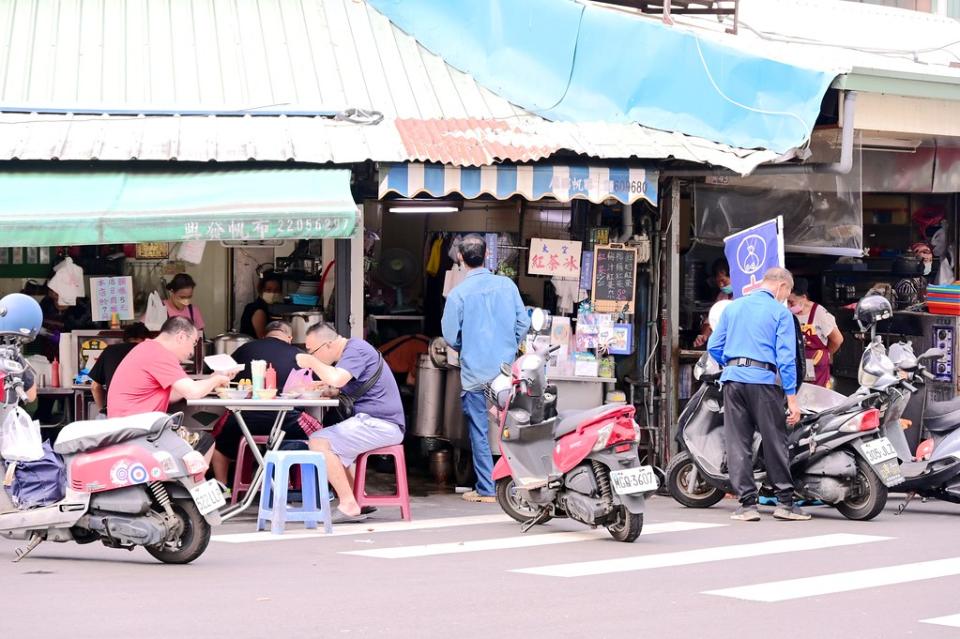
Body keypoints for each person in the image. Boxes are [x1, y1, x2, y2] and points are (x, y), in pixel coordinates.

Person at [707, 267, 810, 522]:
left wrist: (731, 364)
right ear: (782, 287)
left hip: (733, 381)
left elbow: (713, 346)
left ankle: (747, 505)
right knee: (774, 439)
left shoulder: (733, 307)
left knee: (738, 442)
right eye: (786, 293)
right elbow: (786, 359)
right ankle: (785, 503)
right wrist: (792, 399)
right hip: (763, 382)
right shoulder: (780, 313)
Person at [441, 234, 529, 503]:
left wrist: (466, 348)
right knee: (513, 428)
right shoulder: (507, 286)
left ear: (460, 258)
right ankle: (521, 483)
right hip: (505, 375)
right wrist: (509, 346)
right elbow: (523, 323)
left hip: (475, 376)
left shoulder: (458, 295)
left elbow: (450, 335)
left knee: (480, 432)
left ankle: (487, 489)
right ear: (487, 254)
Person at [295, 322, 405, 522]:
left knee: (318, 441)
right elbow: (341, 385)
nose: (312, 354)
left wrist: (312, 362)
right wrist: (328, 389)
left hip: (381, 423)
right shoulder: (354, 350)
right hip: (376, 422)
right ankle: (357, 499)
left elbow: (337, 379)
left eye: (312, 350)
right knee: (333, 442)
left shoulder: (355, 349)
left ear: (328, 344)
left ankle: (348, 504)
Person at [107, 317, 231, 460]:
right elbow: (192, 392)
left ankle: (177, 481)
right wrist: (217, 379)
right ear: (181, 337)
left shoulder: (148, 348)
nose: (192, 351)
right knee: (204, 442)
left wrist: (211, 380)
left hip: (128, 429)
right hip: (139, 433)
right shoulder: (159, 353)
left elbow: (173, 394)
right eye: (194, 343)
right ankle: (190, 483)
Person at [210, 321, 308, 485]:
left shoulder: (245, 349)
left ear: (263, 336)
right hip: (288, 421)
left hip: (242, 420)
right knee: (319, 436)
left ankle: (222, 487)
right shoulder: (299, 354)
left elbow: (223, 378)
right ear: (290, 338)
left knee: (217, 442)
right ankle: (306, 487)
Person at [787, 278, 843, 388]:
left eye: (791, 302)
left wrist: (825, 354)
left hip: (818, 369)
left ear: (803, 298)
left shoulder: (820, 313)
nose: (788, 306)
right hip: (796, 366)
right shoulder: (789, 314)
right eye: (786, 302)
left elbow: (837, 340)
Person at [89, 322, 150, 416]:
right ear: (146, 339)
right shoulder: (149, 351)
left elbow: (95, 386)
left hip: (114, 414)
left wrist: (103, 411)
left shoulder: (109, 351)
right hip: (142, 414)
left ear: (125, 339)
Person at [693, 259, 732, 348]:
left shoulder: (744, 295)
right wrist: (704, 336)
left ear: (733, 276)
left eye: (723, 281)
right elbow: (712, 320)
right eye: (718, 282)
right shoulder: (722, 296)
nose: (721, 285)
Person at [239, 274, 283, 339]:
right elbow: (263, 338)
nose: (273, 293)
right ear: (261, 291)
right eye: (268, 290)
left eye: (276, 290)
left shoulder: (269, 308)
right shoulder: (259, 310)